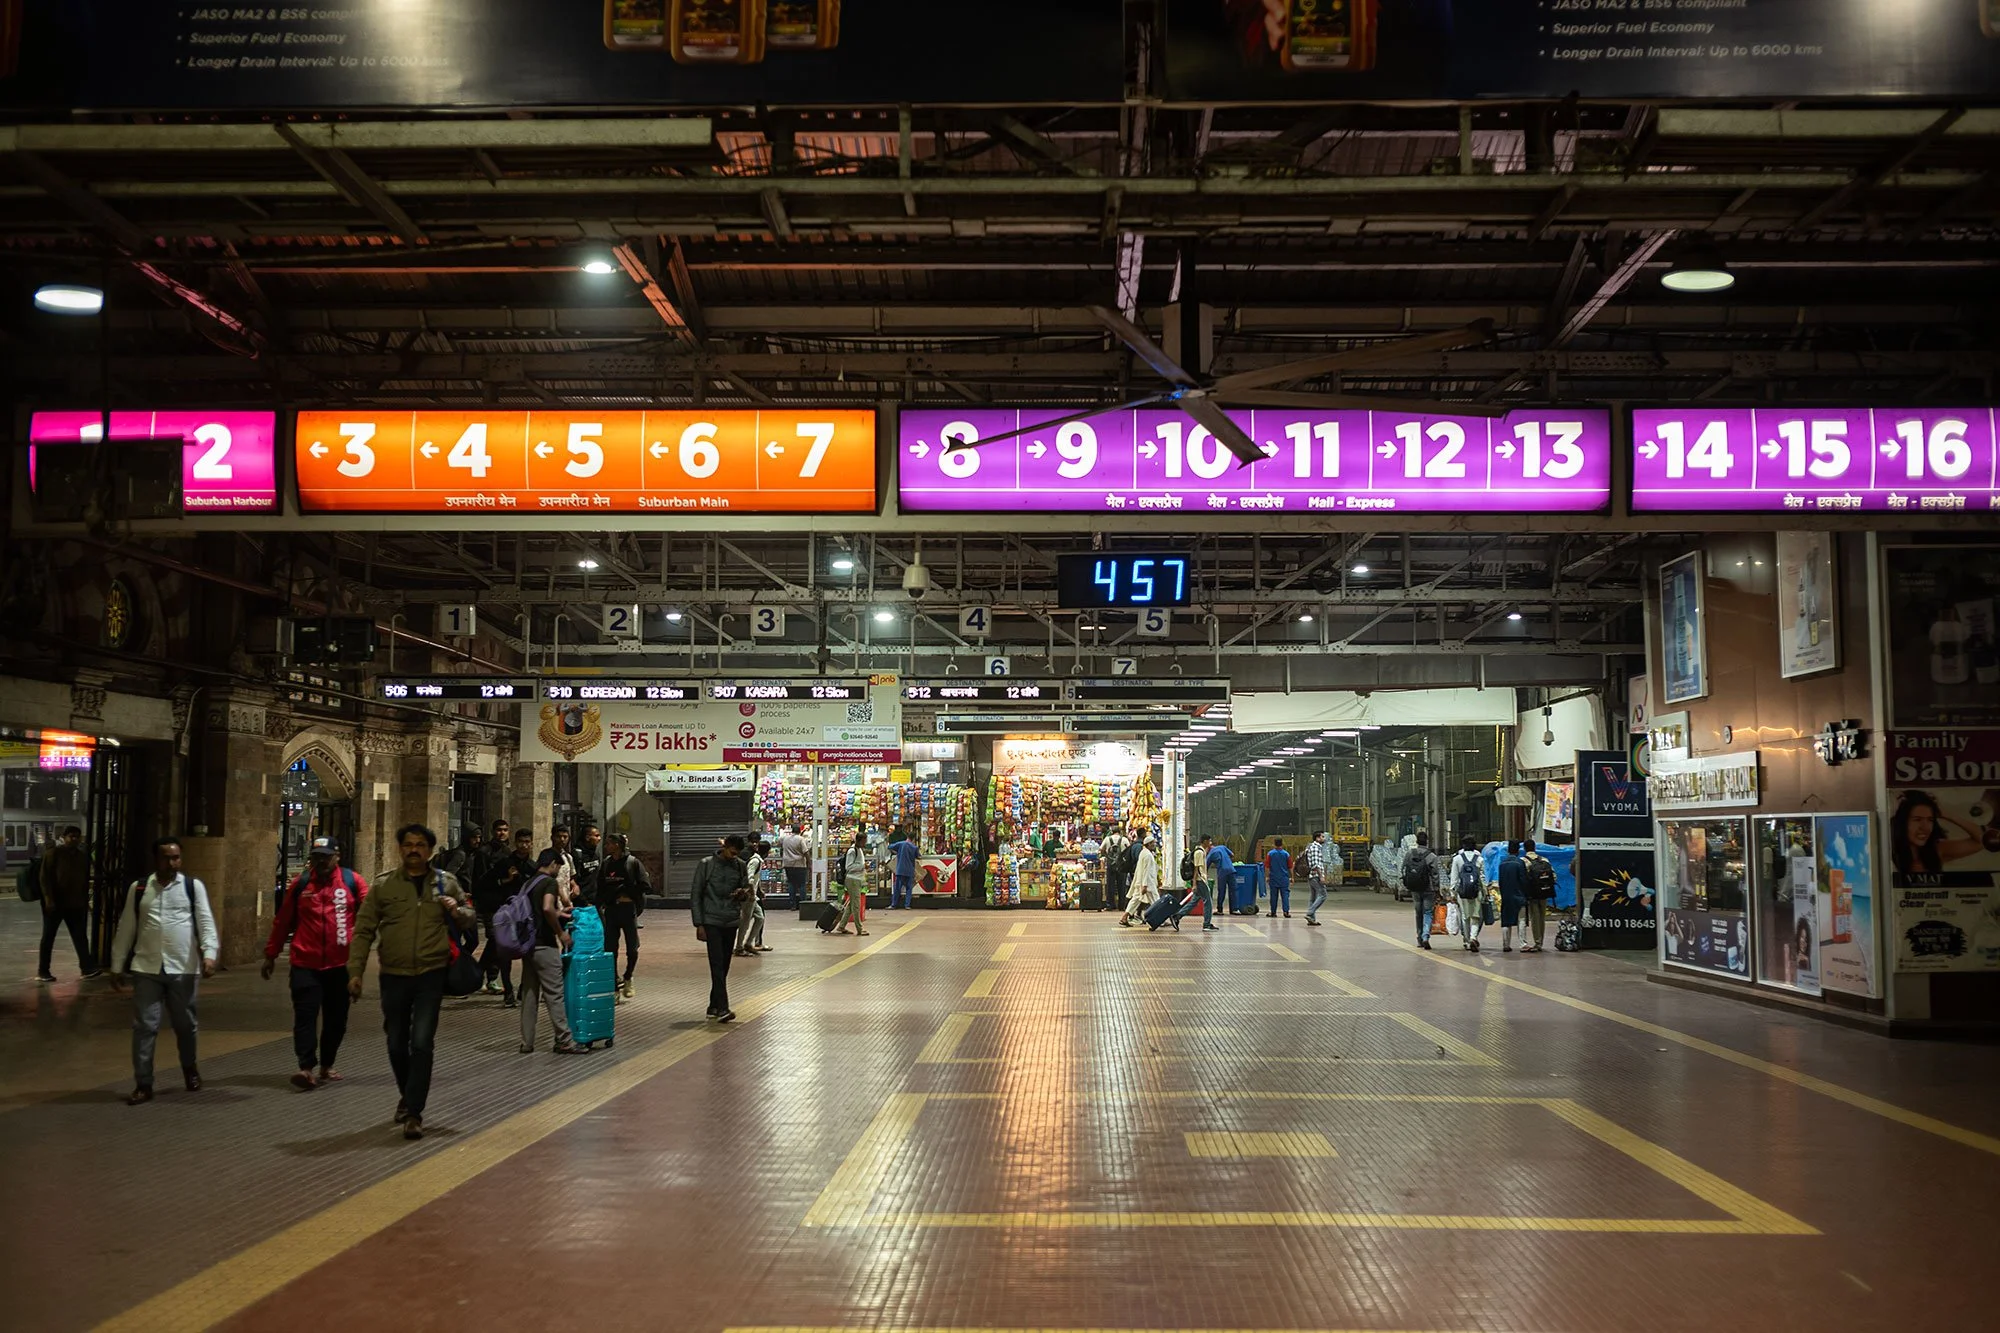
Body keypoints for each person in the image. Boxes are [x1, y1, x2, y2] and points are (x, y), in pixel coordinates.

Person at [347, 823, 475, 1141]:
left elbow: (470, 918)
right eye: (407, 844)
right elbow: (363, 930)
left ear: (430, 850)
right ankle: (408, 1094)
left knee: (421, 1043)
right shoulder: (384, 886)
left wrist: (457, 909)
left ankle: (414, 1112)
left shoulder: (446, 883)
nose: (413, 849)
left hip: (431, 974)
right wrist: (355, 971)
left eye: (419, 844)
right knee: (395, 1042)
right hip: (394, 975)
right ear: (400, 848)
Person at [108, 838, 218, 1105]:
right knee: (145, 1026)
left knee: (185, 1025)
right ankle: (143, 1083)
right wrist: (116, 964)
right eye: (167, 858)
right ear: (155, 860)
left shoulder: (192, 887)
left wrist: (209, 953)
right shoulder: (140, 889)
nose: (172, 863)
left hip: (183, 967)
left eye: (176, 858)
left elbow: (205, 920)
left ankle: (190, 1069)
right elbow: (127, 928)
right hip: (146, 968)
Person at [262, 837, 369, 1090]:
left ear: (337, 856)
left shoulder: (353, 882)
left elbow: (370, 917)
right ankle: (306, 1067)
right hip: (305, 962)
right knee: (305, 1017)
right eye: (316, 856)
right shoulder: (301, 884)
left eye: (326, 856)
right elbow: (283, 920)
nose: (321, 861)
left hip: (340, 966)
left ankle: (327, 1064)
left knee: (336, 1020)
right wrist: (271, 954)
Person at [518, 850, 586, 1056]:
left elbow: (537, 910)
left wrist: (559, 912)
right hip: (545, 946)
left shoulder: (529, 883)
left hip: (528, 946)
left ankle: (526, 1042)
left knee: (529, 995)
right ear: (554, 864)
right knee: (555, 994)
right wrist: (560, 933)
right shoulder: (549, 882)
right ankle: (565, 1040)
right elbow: (547, 908)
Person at [691, 835, 750, 1022]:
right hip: (711, 920)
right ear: (725, 847)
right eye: (732, 852)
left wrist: (742, 894)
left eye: (737, 854)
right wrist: (699, 923)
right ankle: (723, 1008)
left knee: (724, 965)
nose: (734, 856)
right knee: (716, 964)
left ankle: (713, 1006)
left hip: (731, 921)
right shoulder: (706, 864)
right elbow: (696, 894)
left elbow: (746, 889)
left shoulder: (740, 865)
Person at [477, 826, 535, 1004]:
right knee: (505, 953)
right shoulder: (505, 863)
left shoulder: (533, 867)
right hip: (506, 915)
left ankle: (523, 989)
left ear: (531, 844)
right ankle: (508, 990)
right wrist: (505, 881)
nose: (524, 846)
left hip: (525, 916)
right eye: (521, 842)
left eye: (527, 842)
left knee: (528, 953)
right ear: (515, 843)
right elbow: (484, 883)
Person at [36, 824, 98, 983]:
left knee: (80, 936)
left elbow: (84, 880)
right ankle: (43, 971)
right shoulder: (54, 854)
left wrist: (86, 901)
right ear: (63, 838)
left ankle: (87, 968)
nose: (75, 839)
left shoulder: (82, 856)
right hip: (55, 904)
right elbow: (44, 878)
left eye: (77, 836)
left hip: (75, 904)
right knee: (48, 937)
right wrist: (48, 899)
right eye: (71, 836)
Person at [596, 832, 651, 999]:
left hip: (628, 909)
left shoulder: (632, 863)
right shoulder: (606, 864)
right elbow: (600, 886)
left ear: (617, 845)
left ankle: (628, 977)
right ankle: (614, 985)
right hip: (612, 910)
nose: (606, 847)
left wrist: (628, 894)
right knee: (610, 948)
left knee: (632, 948)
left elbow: (645, 885)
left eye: (609, 844)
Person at [1890, 790, 1982, 873]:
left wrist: (1945, 814)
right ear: (1901, 822)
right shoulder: (1888, 849)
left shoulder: (1936, 850)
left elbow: (1982, 841)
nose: (1925, 828)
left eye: (1930, 820)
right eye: (1917, 819)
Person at [1402, 832, 1441, 949]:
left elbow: (1403, 869)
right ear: (1427, 841)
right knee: (1428, 912)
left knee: (1418, 913)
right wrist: (1437, 889)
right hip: (1428, 889)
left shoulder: (1409, 854)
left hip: (1415, 888)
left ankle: (1419, 938)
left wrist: (1407, 883)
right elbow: (1435, 875)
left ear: (1417, 841)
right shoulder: (1432, 856)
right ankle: (1425, 936)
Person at [1449, 835, 1487, 952]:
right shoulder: (1480, 859)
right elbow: (1482, 878)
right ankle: (1473, 937)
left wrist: (1452, 893)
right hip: (1476, 892)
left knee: (1465, 917)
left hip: (1462, 892)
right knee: (1475, 916)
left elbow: (1454, 878)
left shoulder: (1457, 859)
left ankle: (1466, 940)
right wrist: (1485, 892)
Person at [735, 840, 771, 956]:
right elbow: (750, 878)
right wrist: (751, 893)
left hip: (753, 896)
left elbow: (755, 879)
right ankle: (739, 947)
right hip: (749, 897)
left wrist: (758, 891)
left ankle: (748, 943)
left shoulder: (757, 860)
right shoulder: (755, 861)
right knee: (745, 922)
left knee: (760, 917)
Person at [1520, 838, 1553, 953]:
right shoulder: (1544, 859)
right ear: (1534, 847)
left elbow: (1522, 878)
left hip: (1532, 894)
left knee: (1535, 918)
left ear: (1524, 849)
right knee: (1542, 917)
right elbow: (1553, 876)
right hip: (1544, 892)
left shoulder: (1524, 861)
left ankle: (1537, 942)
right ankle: (1540, 942)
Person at [834, 831, 870, 936]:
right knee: (856, 905)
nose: (865, 843)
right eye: (864, 841)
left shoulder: (859, 850)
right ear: (858, 840)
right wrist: (863, 866)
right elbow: (848, 867)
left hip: (857, 880)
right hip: (852, 880)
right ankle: (859, 928)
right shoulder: (852, 851)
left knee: (851, 905)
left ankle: (841, 926)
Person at [1120, 835, 1162, 926]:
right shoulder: (1147, 855)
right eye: (1153, 843)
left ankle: (1124, 917)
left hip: (1142, 882)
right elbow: (1146, 871)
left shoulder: (1144, 853)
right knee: (1156, 900)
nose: (1154, 844)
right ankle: (1160, 919)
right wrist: (1145, 885)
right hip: (1147, 883)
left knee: (1136, 900)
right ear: (1149, 844)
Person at [1497, 839, 1528, 953]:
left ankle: (1506, 944)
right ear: (1518, 850)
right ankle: (1523, 944)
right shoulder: (1520, 863)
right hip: (1519, 896)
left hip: (1506, 896)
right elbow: (1524, 881)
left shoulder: (1502, 864)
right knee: (1521, 920)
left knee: (1506, 921)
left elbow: (1500, 881)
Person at [1304, 832, 1342, 926]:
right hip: (1316, 875)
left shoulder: (1310, 847)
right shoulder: (1316, 848)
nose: (1324, 838)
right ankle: (1310, 913)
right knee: (1323, 895)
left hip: (1311, 875)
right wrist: (1321, 876)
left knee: (1313, 897)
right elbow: (1316, 864)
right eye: (1322, 837)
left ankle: (1311, 919)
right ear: (1317, 838)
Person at [1201, 834, 1234, 931]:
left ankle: (1220, 909)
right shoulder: (1223, 847)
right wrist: (1226, 860)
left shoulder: (1210, 854)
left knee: (1221, 890)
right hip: (1231, 870)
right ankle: (1234, 909)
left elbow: (1205, 866)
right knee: (1233, 890)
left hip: (1222, 872)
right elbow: (1232, 855)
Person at [885, 828, 920, 910]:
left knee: (897, 888)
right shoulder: (914, 847)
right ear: (914, 839)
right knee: (909, 888)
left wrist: (896, 852)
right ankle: (907, 905)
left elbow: (889, 846)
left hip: (900, 869)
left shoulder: (901, 844)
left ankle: (894, 905)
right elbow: (918, 856)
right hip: (910, 870)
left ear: (907, 836)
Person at [574, 823, 605, 906]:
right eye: (596, 836)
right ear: (587, 837)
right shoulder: (577, 854)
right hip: (582, 903)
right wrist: (583, 901)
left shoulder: (596, 853)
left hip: (595, 901)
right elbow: (574, 880)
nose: (599, 838)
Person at [778, 824, 811, 900]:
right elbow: (806, 852)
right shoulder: (800, 839)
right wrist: (809, 863)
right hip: (799, 864)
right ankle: (802, 903)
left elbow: (778, 842)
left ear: (792, 831)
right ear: (799, 831)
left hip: (788, 864)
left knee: (791, 883)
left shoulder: (785, 838)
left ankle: (792, 904)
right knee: (802, 884)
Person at [1264, 836, 1293, 918]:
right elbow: (1290, 866)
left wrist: (1267, 876)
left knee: (1273, 895)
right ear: (1282, 844)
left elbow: (1267, 866)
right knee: (1285, 895)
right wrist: (1292, 877)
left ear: (1274, 844)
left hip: (1273, 877)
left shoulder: (1270, 854)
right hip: (1284, 878)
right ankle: (1286, 912)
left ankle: (1273, 912)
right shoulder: (1286, 854)